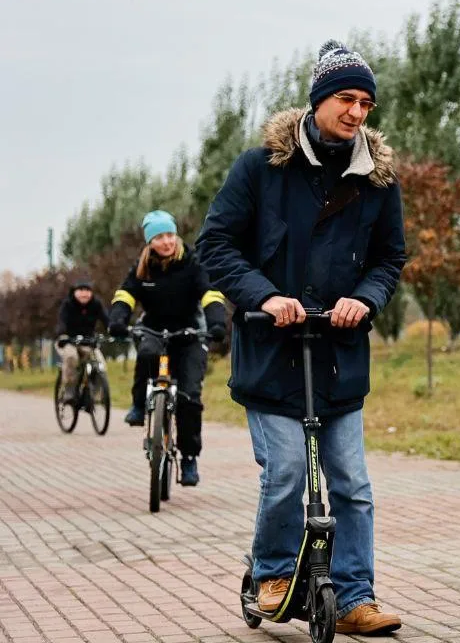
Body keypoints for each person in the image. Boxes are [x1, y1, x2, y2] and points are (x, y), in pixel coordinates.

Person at [197, 40, 406, 636]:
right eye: (347, 99)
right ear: (318, 100)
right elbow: (215, 245)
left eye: (366, 103)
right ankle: (271, 571)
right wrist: (264, 296)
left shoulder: (378, 180)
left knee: (353, 485)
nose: (357, 112)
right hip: (271, 353)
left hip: (338, 356)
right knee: (287, 471)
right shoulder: (260, 168)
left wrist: (364, 299)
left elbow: (389, 258)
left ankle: (355, 596)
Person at [107, 211, 228, 487]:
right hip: (154, 329)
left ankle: (189, 458)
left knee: (188, 398)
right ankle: (139, 404)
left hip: (189, 332)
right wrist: (117, 320)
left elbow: (210, 293)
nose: (167, 241)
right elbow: (125, 295)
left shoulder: (192, 262)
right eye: (160, 237)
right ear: (150, 242)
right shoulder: (143, 267)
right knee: (147, 353)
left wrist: (216, 323)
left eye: (170, 235)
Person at [55, 280, 108, 403]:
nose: (84, 294)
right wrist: (62, 334)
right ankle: (69, 390)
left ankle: (95, 395)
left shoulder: (96, 304)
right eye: (81, 290)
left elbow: (106, 319)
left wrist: (113, 329)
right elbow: (61, 321)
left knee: (100, 364)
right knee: (71, 357)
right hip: (68, 341)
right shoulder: (68, 304)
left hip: (87, 342)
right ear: (75, 292)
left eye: (87, 290)